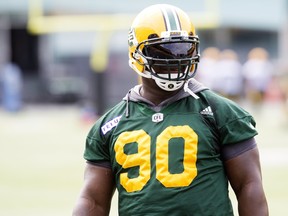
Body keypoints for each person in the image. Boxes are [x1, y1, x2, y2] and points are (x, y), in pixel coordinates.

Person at [72, 4, 268, 216]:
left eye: (184, 49)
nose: (175, 59)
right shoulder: (108, 125)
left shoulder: (221, 112)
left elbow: (249, 186)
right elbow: (92, 200)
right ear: (136, 53)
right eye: (162, 51)